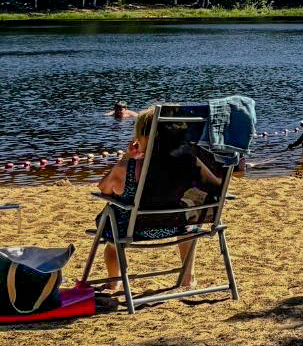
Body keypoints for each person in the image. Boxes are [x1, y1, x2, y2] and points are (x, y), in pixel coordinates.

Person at [95, 107, 225, 291]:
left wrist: (126, 158)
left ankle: (113, 281)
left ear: (141, 136)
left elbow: (104, 189)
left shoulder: (129, 167)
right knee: (187, 219)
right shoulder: (188, 163)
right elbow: (213, 185)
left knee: (112, 237)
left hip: (134, 229)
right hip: (178, 225)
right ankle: (188, 279)